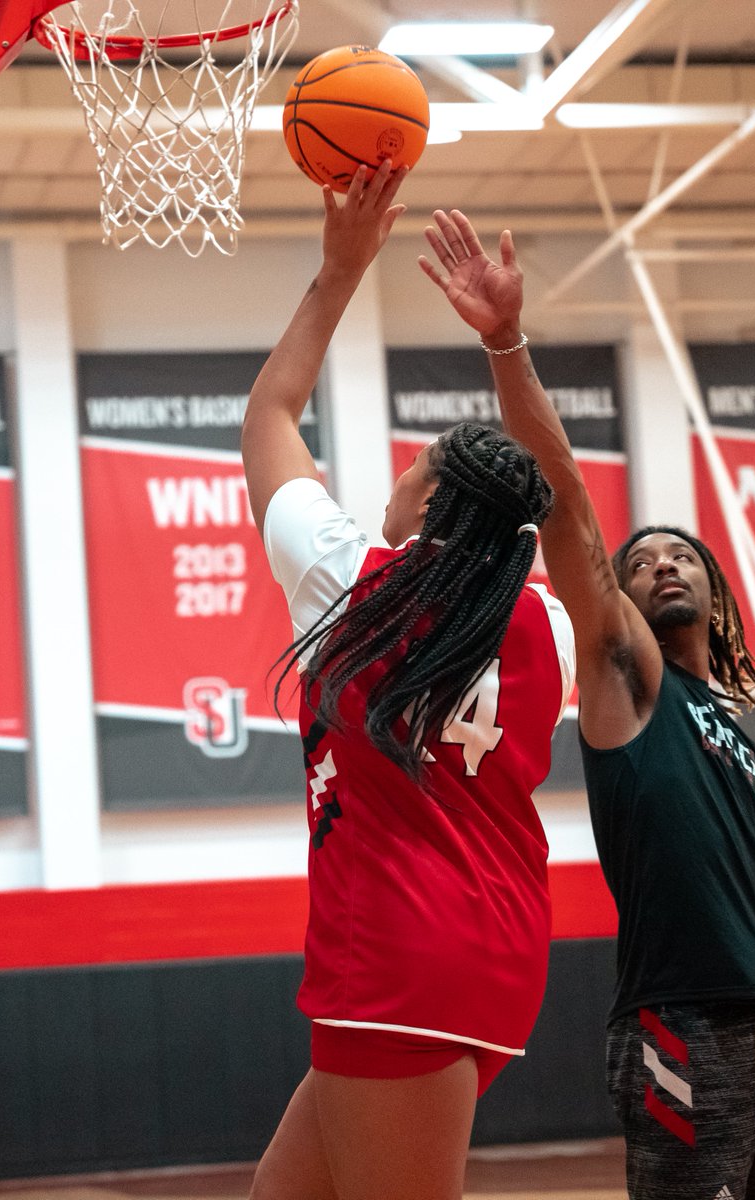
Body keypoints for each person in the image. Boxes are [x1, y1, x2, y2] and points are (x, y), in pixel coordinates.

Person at [419, 208, 755, 1200]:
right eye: (642, 563)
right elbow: (565, 503)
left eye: (681, 555)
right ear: (623, 603)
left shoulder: (732, 729)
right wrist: (507, 342)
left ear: (713, 591)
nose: (662, 565)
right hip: (676, 1022)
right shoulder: (628, 679)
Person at [242, 162, 575, 1200]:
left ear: (427, 495)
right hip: (496, 948)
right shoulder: (553, 625)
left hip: (395, 955)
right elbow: (573, 525)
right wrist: (507, 344)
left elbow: (270, 414)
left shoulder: (349, 577)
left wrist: (340, 271)